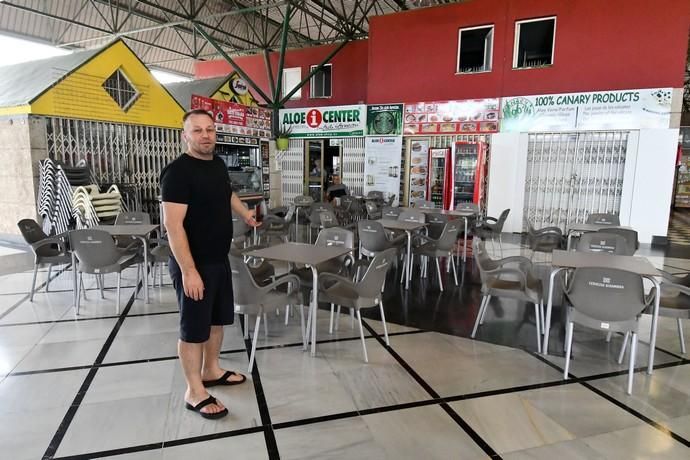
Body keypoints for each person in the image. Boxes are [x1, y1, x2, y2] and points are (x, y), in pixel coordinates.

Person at [160, 109, 259, 420]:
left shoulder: (216, 164)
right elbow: (173, 226)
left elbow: (226, 192)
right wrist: (189, 271)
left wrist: (244, 214)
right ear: (185, 136)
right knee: (193, 329)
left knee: (217, 321)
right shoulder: (177, 173)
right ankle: (194, 390)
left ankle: (211, 370)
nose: (205, 135)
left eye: (210, 130)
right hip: (194, 264)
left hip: (218, 259)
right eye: (198, 130)